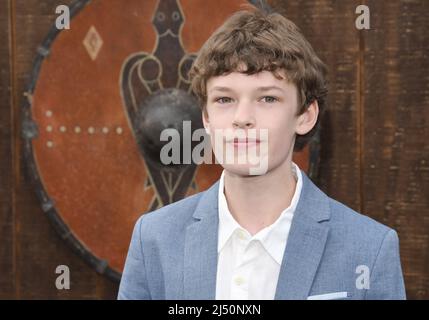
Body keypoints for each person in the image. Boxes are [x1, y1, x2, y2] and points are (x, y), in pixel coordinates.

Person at [118, 7, 406, 300]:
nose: (242, 117)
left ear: (305, 115)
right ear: (205, 117)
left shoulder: (370, 248)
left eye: (267, 98)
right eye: (224, 99)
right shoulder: (154, 238)